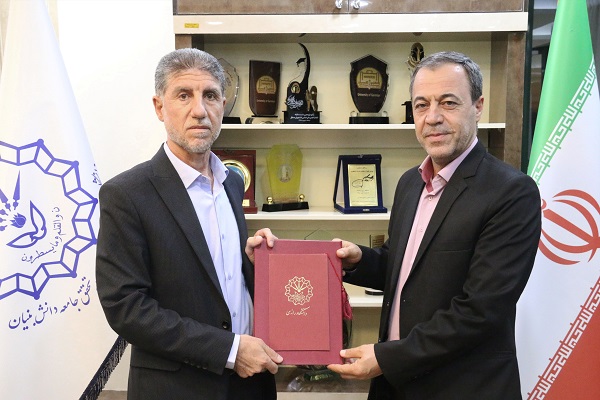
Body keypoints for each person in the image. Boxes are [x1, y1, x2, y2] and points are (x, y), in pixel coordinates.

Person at [327, 51, 542, 400]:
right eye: (421, 105)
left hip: (463, 389)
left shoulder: (511, 192)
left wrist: (386, 358)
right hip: (395, 387)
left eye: (448, 102)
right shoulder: (410, 183)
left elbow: (480, 311)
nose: (433, 117)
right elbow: (407, 270)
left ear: (478, 106)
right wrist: (359, 260)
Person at [95, 48, 282, 400]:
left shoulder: (231, 182)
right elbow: (126, 308)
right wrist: (229, 350)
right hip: (178, 388)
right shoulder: (126, 194)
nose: (199, 110)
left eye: (210, 95)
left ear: (223, 105)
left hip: (251, 384)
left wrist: (253, 262)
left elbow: (217, 277)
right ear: (159, 107)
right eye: (184, 95)